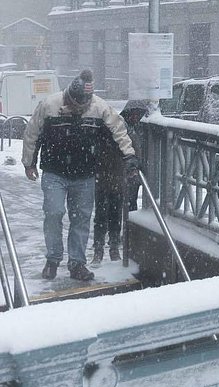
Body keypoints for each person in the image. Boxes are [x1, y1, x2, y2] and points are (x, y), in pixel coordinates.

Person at [21, 69, 138, 282]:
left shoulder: (99, 107)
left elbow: (119, 130)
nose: (81, 107)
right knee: (54, 213)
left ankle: (77, 262)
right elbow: (32, 133)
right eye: (78, 103)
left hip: (85, 174)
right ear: (70, 96)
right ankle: (53, 259)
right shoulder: (49, 105)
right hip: (54, 171)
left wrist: (129, 156)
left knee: (81, 219)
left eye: (85, 103)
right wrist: (29, 163)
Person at [92, 100, 149, 263]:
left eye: (140, 114)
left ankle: (111, 247)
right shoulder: (119, 127)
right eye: (135, 114)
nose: (137, 117)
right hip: (109, 175)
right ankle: (103, 248)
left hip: (117, 176)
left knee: (113, 213)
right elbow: (132, 150)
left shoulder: (131, 128)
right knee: (105, 214)